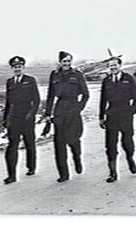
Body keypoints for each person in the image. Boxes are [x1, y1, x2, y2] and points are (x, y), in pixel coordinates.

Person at [45, 51, 89, 182]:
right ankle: (63, 174)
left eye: (69, 61)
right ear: (60, 62)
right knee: (59, 143)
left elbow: (86, 94)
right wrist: (48, 113)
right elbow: (50, 95)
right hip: (59, 110)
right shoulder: (54, 75)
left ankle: (77, 157)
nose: (67, 64)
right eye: (64, 61)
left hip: (73, 109)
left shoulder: (77, 75)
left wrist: (79, 108)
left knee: (73, 140)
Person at [99, 57, 136, 183]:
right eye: (111, 66)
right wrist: (101, 117)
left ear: (120, 66)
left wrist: (132, 111)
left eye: (115, 65)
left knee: (127, 140)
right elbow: (103, 100)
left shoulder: (128, 79)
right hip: (111, 114)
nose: (113, 68)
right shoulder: (106, 81)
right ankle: (113, 172)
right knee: (110, 144)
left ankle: (130, 158)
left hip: (125, 114)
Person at [2, 56, 41, 185]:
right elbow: (8, 102)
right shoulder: (10, 82)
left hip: (27, 117)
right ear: (12, 68)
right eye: (15, 67)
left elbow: (36, 100)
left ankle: (31, 167)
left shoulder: (30, 81)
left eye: (19, 67)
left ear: (23, 68)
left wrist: (31, 114)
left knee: (29, 142)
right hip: (14, 117)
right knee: (12, 145)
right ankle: (11, 175)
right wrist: (5, 119)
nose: (17, 69)